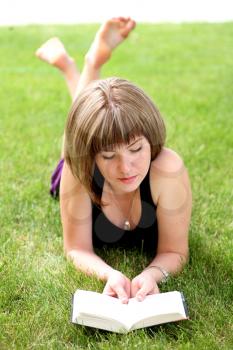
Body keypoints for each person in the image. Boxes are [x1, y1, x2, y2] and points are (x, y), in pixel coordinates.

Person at [36, 17, 192, 304]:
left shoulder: (168, 170)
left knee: (91, 125)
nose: (126, 168)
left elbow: (175, 251)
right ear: (93, 155)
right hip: (79, 158)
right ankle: (81, 66)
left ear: (151, 140)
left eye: (136, 149)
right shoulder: (79, 164)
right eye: (108, 155)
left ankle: (87, 64)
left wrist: (153, 273)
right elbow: (76, 249)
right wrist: (109, 275)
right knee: (75, 136)